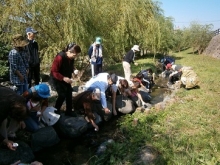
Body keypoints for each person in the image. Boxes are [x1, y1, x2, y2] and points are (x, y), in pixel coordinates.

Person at [50, 43, 81, 116]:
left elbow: (70, 66)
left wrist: (74, 70)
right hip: (57, 78)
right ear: (69, 51)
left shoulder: (71, 58)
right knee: (62, 95)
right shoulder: (60, 57)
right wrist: (63, 78)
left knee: (69, 93)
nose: (75, 57)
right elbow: (54, 71)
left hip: (66, 78)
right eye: (74, 55)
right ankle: (56, 111)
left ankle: (69, 111)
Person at [0, 86, 28, 151]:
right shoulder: (2, 109)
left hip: (4, 96)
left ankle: (9, 135)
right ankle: (4, 141)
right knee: (3, 121)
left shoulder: (21, 100)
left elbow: (23, 111)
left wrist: (21, 120)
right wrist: (5, 141)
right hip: (2, 103)